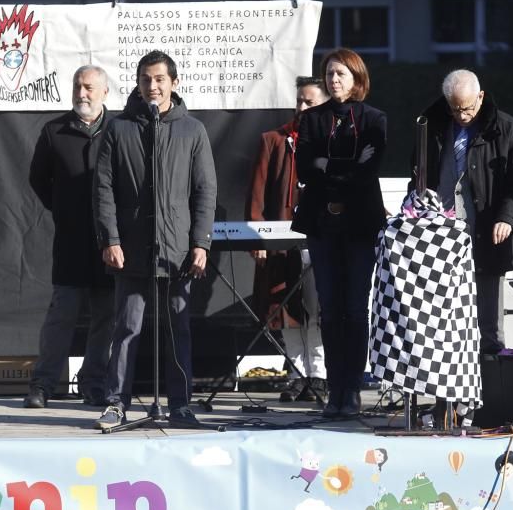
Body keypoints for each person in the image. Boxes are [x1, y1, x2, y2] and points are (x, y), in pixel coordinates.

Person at [93, 50, 217, 429]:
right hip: (131, 250)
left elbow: (205, 190)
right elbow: (103, 189)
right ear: (138, 83)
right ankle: (116, 403)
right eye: (146, 79)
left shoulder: (192, 130)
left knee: (177, 329)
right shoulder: (118, 128)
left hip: (177, 251)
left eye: (160, 79)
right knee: (127, 328)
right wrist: (110, 239)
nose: (153, 86)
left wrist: (201, 243)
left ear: (174, 83)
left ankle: (179, 405)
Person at [291, 49, 387, 418]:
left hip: (360, 223)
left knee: (355, 308)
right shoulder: (312, 119)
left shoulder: (375, 118)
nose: (334, 80)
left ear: (357, 79)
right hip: (321, 222)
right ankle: (334, 389)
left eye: (341, 74)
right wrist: (340, 169)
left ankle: (353, 388)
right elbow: (306, 165)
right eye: (330, 73)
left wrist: (331, 169)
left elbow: (368, 165)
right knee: (329, 308)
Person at [418, 69, 513, 354]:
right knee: (441, 323)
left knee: (488, 327)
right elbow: (420, 176)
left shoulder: (509, 130)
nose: (462, 115)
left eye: (468, 107)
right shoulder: (431, 126)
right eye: (455, 109)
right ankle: (449, 397)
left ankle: (489, 393)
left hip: (486, 236)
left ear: (481, 97)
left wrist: (508, 218)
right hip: (441, 237)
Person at [25, 65, 116, 409]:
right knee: (61, 316)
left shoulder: (120, 130)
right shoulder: (54, 131)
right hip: (70, 242)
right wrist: (63, 210)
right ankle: (44, 385)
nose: (82, 93)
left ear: (105, 92)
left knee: (105, 318)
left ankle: (94, 385)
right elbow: (38, 180)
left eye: (90, 87)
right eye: (78, 86)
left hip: (110, 243)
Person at [246, 76, 329, 403]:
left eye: (310, 101)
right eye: (300, 101)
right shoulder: (275, 140)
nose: (303, 107)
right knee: (287, 309)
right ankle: (297, 374)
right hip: (281, 241)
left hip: (319, 241)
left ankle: (320, 375)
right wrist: (258, 239)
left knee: (317, 310)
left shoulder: (334, 143)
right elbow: (257, 194)